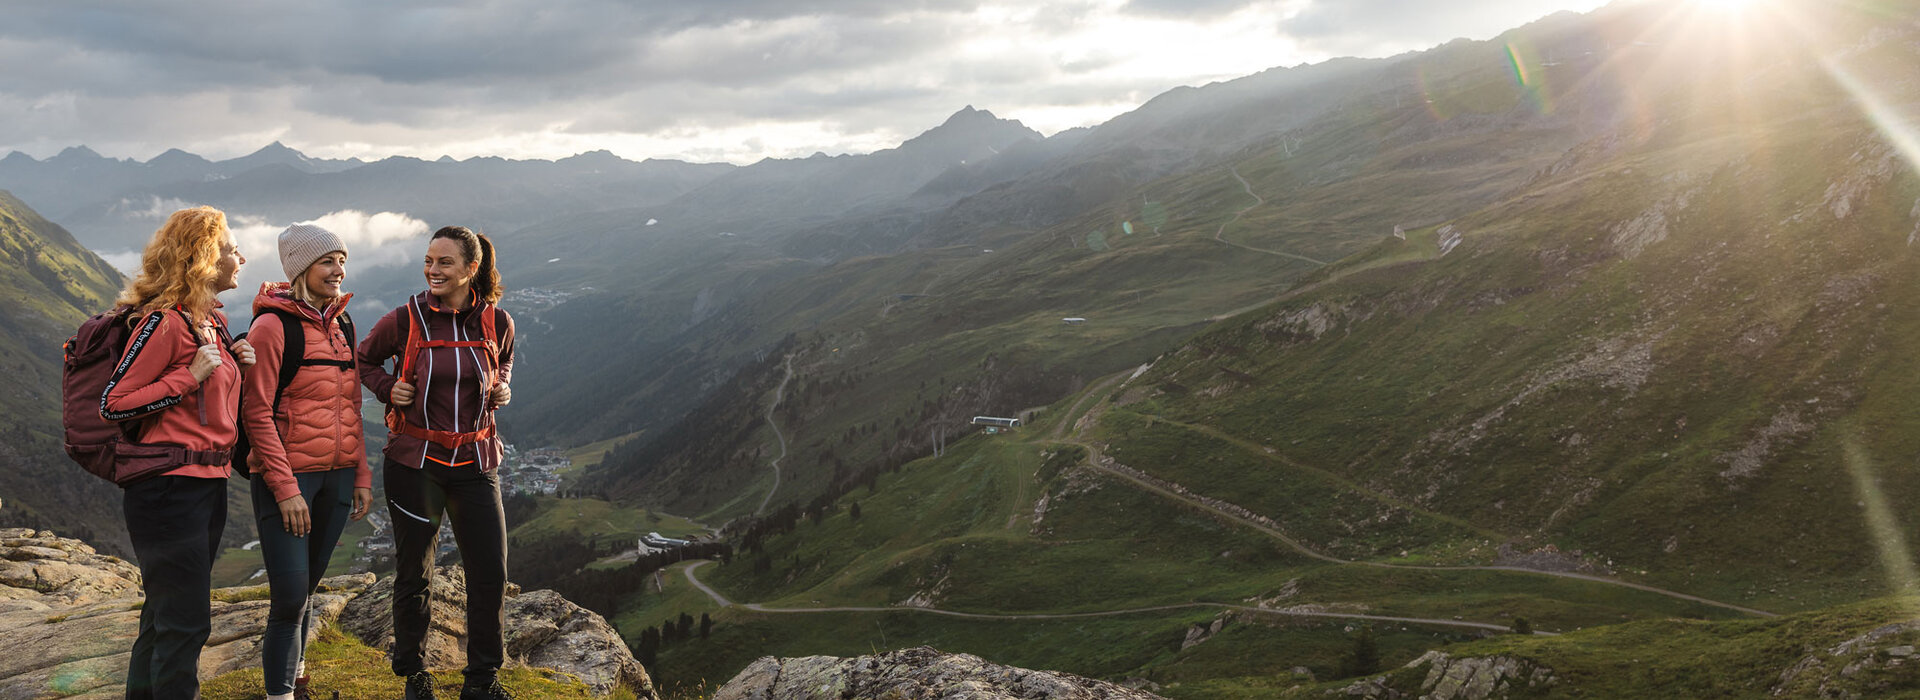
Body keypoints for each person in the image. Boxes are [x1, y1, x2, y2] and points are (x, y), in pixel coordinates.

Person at [102, 205, 255, 700]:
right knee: (186, 625)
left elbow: (208, 408)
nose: (241, 257)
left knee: (164, 617)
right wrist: (185, 377)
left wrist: (237, 362)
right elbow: (115, 402)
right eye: (232, 249)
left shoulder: (209, 324)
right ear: (206, 257)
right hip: (166, 491)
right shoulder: (164, 322)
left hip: (205, 487)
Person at [358, 226, 516, 700]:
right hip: (414, 464)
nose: (433, 270)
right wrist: (388, 389)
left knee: (490, 572)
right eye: (429, 260)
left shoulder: (497, 322)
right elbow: (362, 360)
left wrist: (502, 387)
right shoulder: (404, 320)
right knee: (415, 571)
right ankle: (413, 673)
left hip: (475, 462)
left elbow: (504, 361)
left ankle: (482, 681)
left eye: (445, 262)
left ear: (472, 269)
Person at [242, 223, 374, 700]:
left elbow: (351, 406)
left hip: (338, 477)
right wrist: (285, 489)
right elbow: (255, 411)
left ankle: (296, 681)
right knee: (290, 597)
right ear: (301, 269)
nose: (338, 270)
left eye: (341, 260)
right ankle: (278, 696)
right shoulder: (271, 327)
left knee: (310, 589)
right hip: (289, 478)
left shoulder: (344, 324)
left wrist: (360, 473)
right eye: (327, 261)